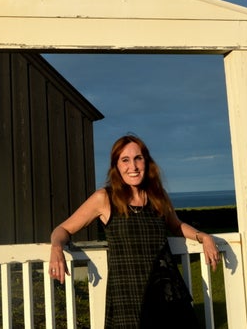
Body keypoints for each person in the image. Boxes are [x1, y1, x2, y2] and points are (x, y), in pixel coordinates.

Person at [49, 134, 221, 328]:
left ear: (146, 161)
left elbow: (176, 225)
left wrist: (203, 236)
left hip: (166, 293)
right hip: (128, 298)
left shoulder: (157, 196)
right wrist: (56, 247)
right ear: (116, 166)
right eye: (125, 160)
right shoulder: (105, 198)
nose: (133, 166)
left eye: (138, 158)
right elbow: (63, 229)